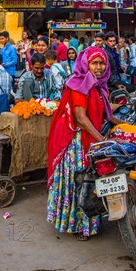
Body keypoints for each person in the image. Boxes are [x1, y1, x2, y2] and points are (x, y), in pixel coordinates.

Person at [46, 47, 123, 241]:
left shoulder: (99, 86)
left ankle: (89, 221)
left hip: (91, 138)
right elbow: (80, 118)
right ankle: (76, 224)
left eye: (102, 63)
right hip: (77, 141)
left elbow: (107, 114)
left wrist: (124, 125)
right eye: (94, 63)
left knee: (92, 179)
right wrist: (102, 140)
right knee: (80, 181)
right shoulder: (79, 84)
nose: (99, 67)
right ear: (85, 64)